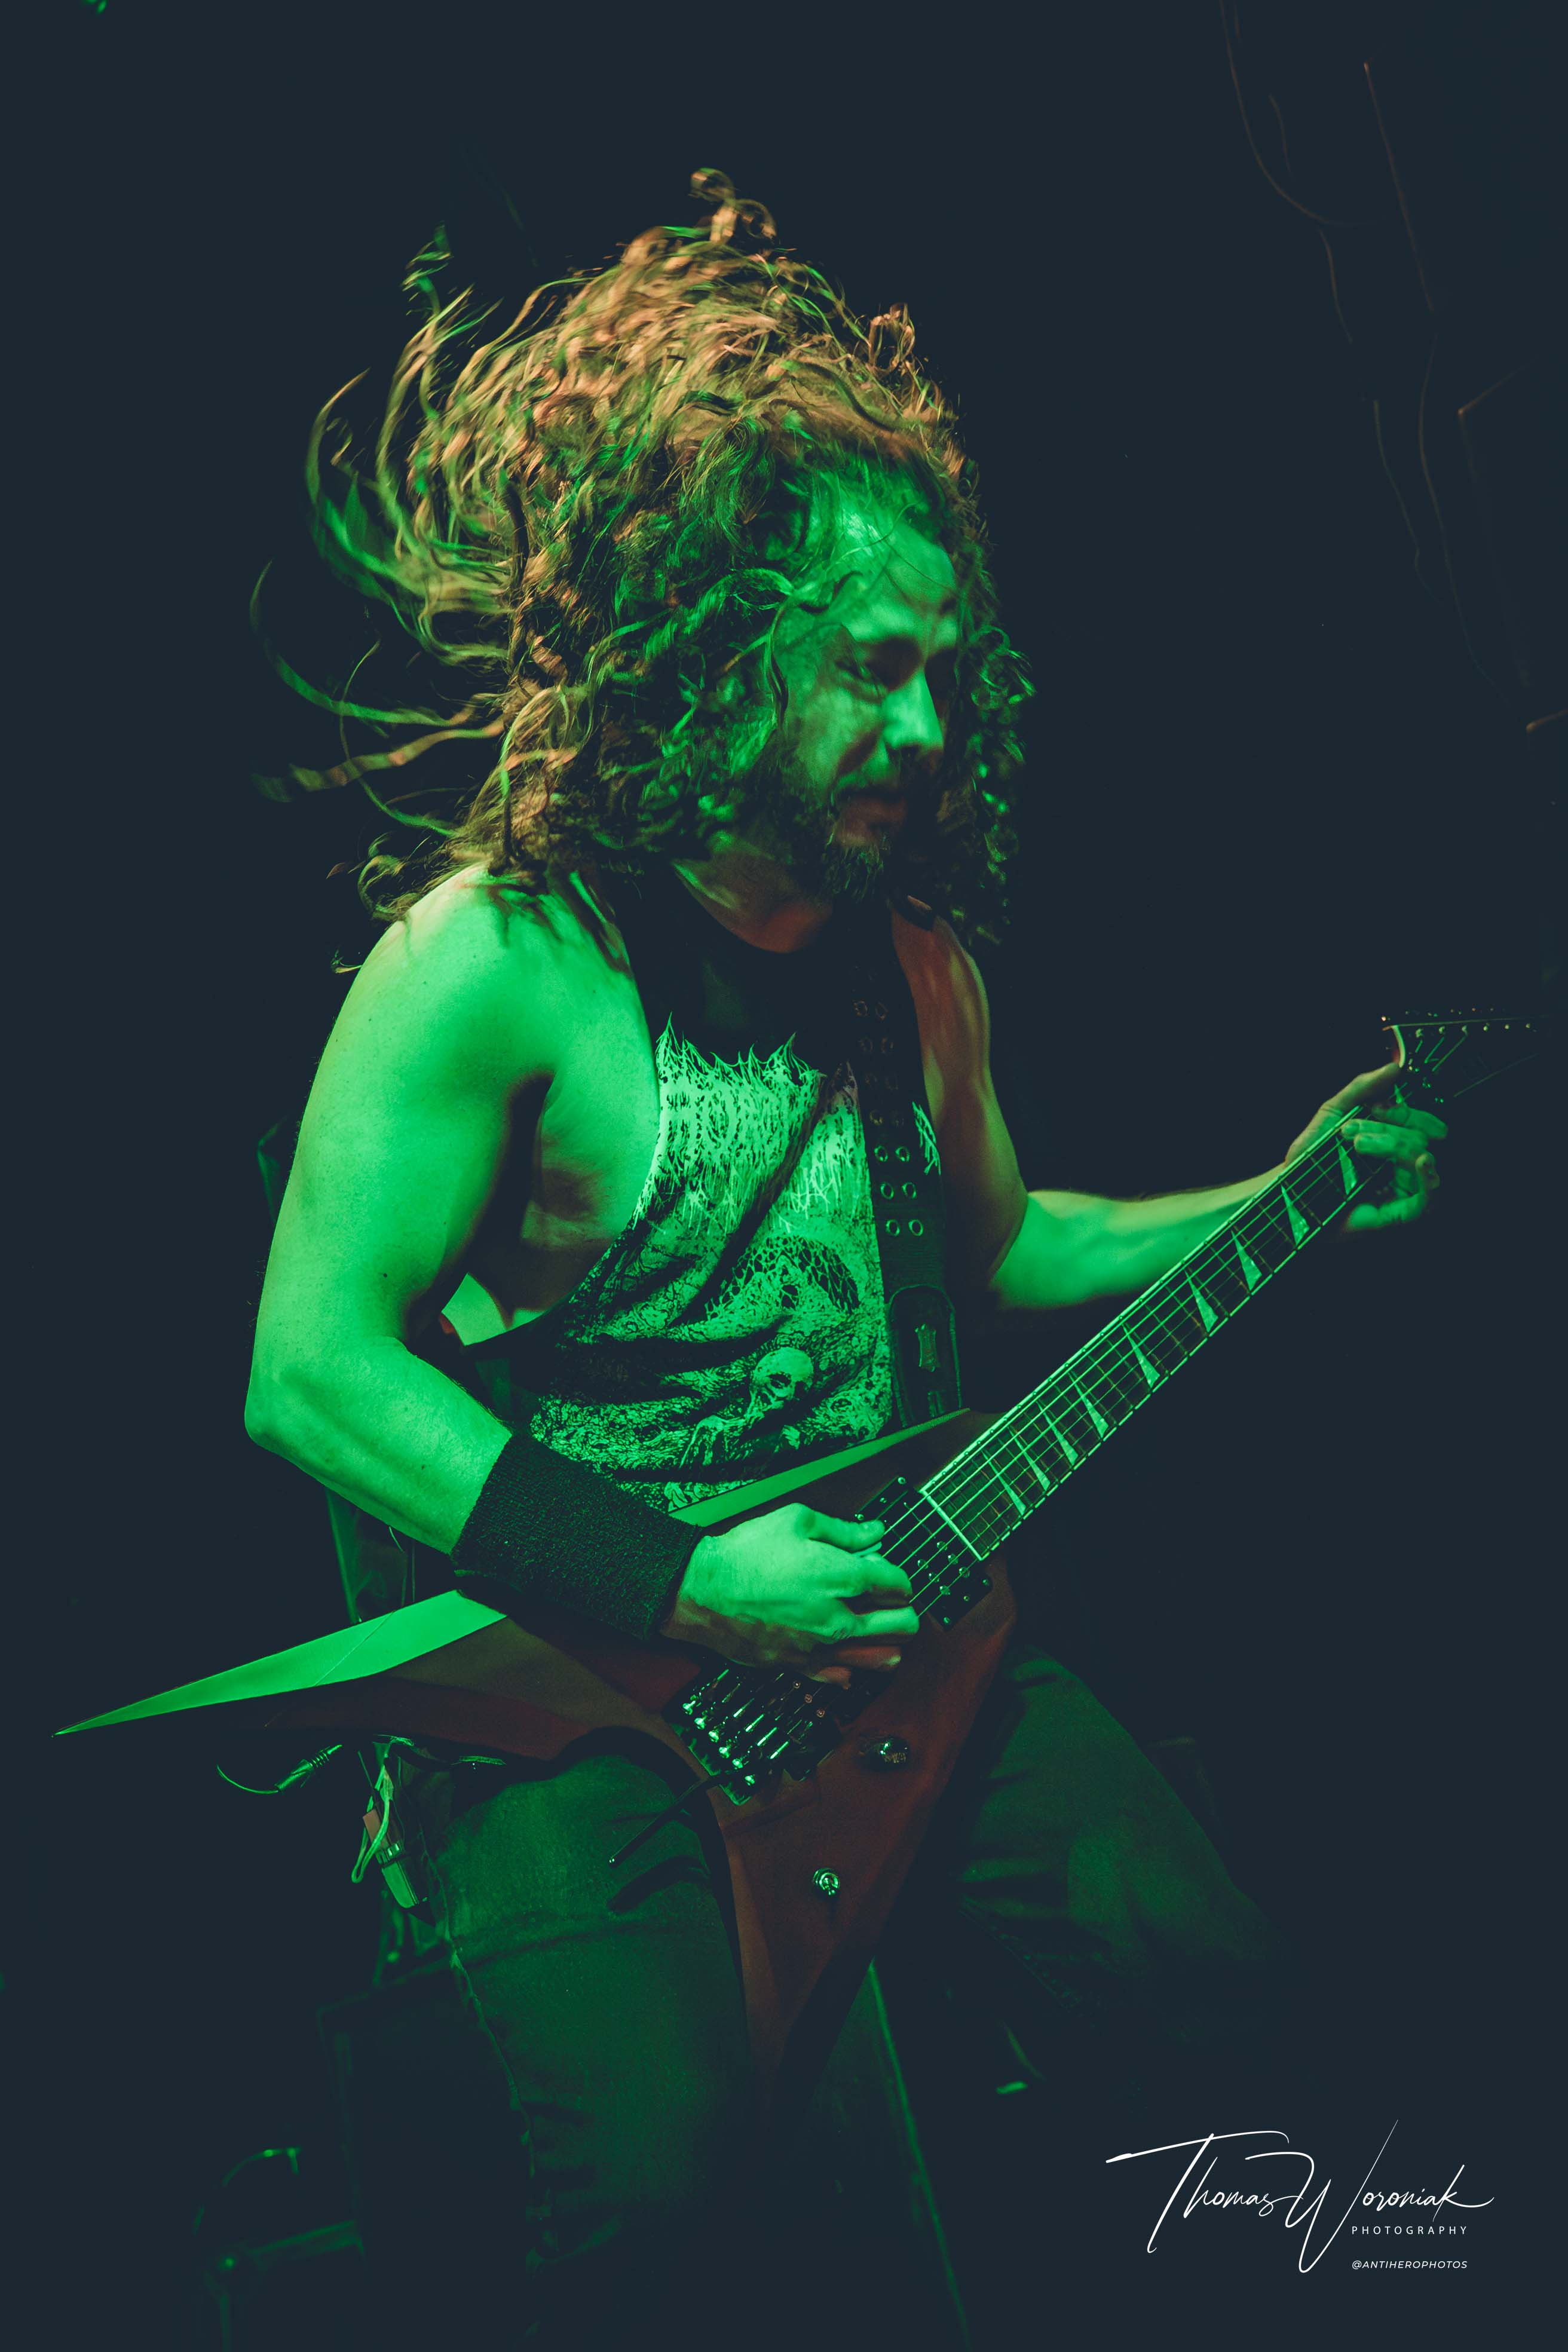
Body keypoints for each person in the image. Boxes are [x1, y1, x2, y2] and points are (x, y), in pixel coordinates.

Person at [245, 174, 1444, 2340]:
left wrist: (1286, 1192)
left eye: (945, 676)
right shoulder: (497, 960)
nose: (923, 727)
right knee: (685, 2226)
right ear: (718, 651)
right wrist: (691, 1581)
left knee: (1225, 2008)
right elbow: (314, 1370)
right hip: (585, 1708)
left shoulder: (917, 972)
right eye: (871, 671)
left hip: (905, 1642)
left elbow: (1009, 1242)